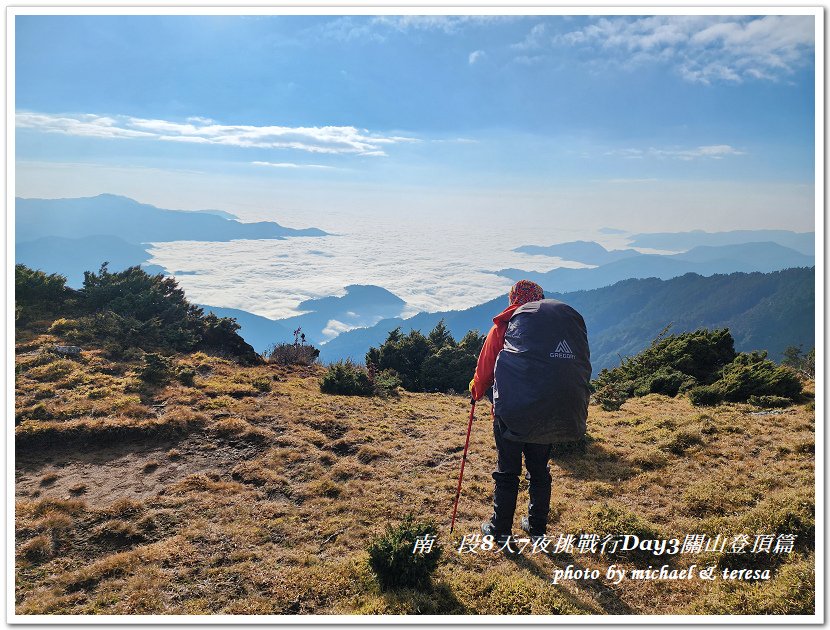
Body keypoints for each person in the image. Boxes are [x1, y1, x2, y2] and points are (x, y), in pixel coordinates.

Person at [469, 279, 589, 542]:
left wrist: (476, 391)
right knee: (539, 470)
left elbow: (486, 369)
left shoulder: (503, 326)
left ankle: (500, 530)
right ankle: (537, 528)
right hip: (548, 412)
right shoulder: (555, 330)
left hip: (510, 414)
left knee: (508, 470)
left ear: (513, 299)